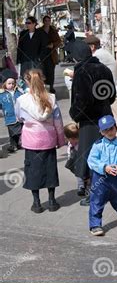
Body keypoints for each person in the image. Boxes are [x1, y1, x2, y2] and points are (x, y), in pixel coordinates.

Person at [69, 41, 116, 206]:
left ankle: (94, 193)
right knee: (105, 153)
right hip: (106, 117)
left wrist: (74, 114)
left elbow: (80, 100)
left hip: (89, 121)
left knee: (90, 157)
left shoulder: (81, 71)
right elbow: (111, 96)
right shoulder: (104, 69)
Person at [15, 69, 65, 213]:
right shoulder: (51, 98)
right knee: (50, 169)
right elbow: (58, 122)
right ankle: (52, 201)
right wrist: (60, 140)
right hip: (48, 139)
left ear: (26, 81)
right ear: (43, 80)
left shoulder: (21, 100)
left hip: (31, 140)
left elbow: (19, 118)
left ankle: (36, 203)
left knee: (33, 171)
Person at [0, 69, 25, 153]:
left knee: (21, 129)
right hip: (9, 116)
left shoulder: (19, 91)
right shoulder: (2, 94)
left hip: (19, 115)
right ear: (4, 84)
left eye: (13, 83)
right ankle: (13, 144)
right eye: (9, 83)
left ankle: (20, 143)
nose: (11, 85)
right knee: (12, 132)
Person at [39, 15, 62, 93]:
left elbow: (59, 42)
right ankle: (44, 89)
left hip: (51, 55)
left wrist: (53, 45)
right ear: (43, 21)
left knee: (50, 73)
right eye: (46, 21)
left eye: (49, 21)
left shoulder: (53, 30)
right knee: (42, 72)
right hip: (41, 55)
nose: (47, 22)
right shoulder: (39, 31)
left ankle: (51, 88)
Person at [63, 122, 86, 196]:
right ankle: (81, 185)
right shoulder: (70, 144)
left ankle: (83, 185)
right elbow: (69, 151)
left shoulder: (82, 143)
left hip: (82, 160)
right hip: (75, 161)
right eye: (70, 139)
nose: (74, 140)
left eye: (76, 138)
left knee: (82, 173)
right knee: (78, 174)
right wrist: (70, 159)